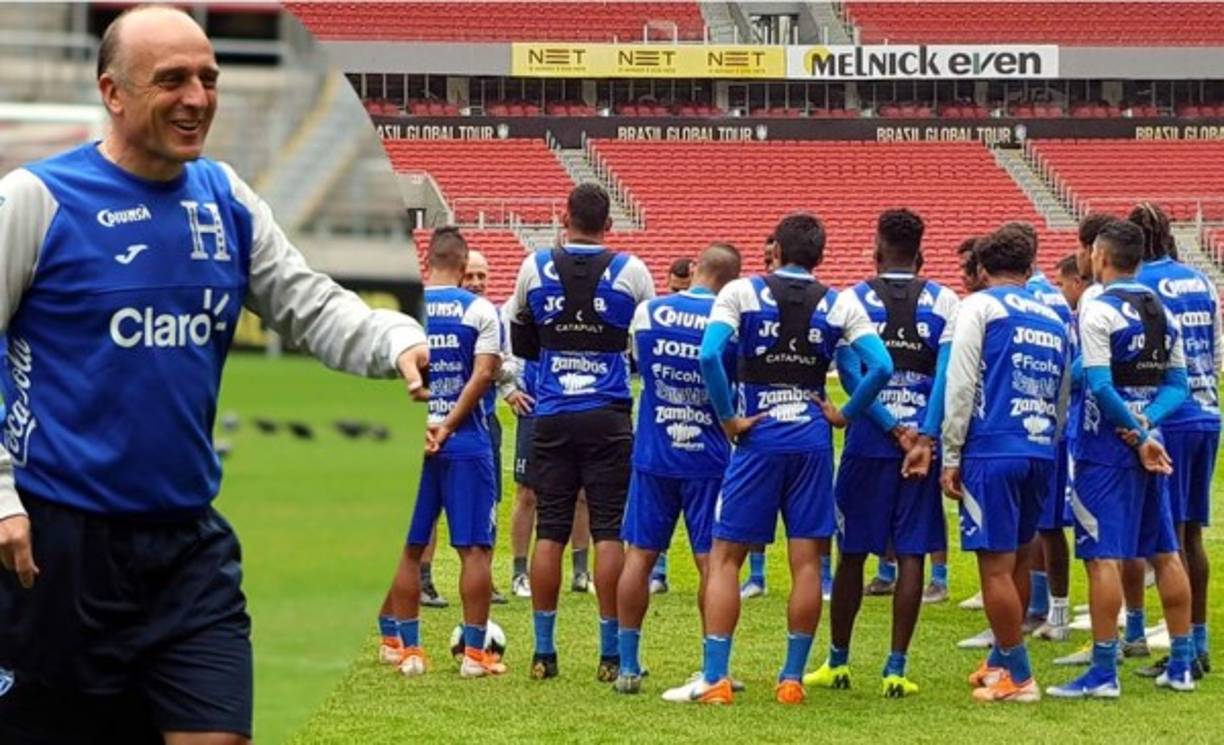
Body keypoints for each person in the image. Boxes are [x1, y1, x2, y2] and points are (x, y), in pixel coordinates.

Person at [0, 8, 429, 744]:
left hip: (185, 548)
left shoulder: (223, 198)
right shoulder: (35, 200)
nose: (196, 97)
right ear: (114, 92)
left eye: (208, 78)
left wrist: (393, 336)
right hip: (56, 545)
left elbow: (307, 302)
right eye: (171, 80)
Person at [661, 212, 893, 705]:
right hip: (810, 437)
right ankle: (790, 679)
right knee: (807, 562)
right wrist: (846, 413)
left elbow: (708, 357)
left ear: (777, 252)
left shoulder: (741, 292)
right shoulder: (839, 302)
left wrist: (726, 418)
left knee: (725, 558)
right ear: (819, 257)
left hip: (759, 434)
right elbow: (882, 366)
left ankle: (716, 678)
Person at [505, 183, 655, 681]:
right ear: (609, 224)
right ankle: (611, 654)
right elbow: (646, 338)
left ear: (564, 217)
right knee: (609, 529)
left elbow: (518, 330)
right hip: (608, 412)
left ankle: (544, 654)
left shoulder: (535, 265)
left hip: (551, 411)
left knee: (550, 527)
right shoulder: (631, 270)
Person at [807, 209, 956, 698]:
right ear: (921, 253)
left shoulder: (853, 298)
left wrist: (890, 428)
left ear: (876, 250)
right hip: (920, 450)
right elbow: (947, 378)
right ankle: (895, 668)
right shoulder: (945, 301)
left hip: (869, 445)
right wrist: (923, 436)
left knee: (851, 554)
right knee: (912, 552)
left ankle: (838, 662)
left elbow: (850, 372)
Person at [1047, 218, 1196, 697]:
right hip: (1153, 443)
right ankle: (1182, 663)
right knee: (1165, 551)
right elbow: (1179, 386)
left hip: (1104, 448)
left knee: (1102, 556)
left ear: (1101, 258)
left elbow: (1100, 383)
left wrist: (1132, 432)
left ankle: (1104, 671)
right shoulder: (1161, 311)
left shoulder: (1097, 310)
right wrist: (1149, 423)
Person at [942, 225, 1069, 703]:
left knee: (993, 564)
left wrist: (951, 452)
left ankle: (1018, 675)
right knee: (1018, 553)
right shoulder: (1054, 315)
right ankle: (1000, 658)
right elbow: (1062, 389)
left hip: (993, 447)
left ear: (982, 268)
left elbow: (961, 382)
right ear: (1029, 267)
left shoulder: (979, 306)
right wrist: (1049, 440)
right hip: (1040, 446)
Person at [614, 243, 742, 694]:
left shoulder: (650, 313)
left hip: (654, 450)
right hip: (708, 456)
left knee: (641, 555)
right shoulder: (730, 324)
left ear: (694, 269)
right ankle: (713, 667)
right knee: (714, 562)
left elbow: (639, 367)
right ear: (731, 282)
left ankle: (628, 665)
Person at [383, 228, 505, 680]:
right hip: (465, 440)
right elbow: (484, 373)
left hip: (413, 441)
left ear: (428, 262)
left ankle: (408, 651)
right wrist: (449, 424)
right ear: (460, 264)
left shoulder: (403, 312)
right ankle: (475, 656)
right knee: (475, 548)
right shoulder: (480, 310)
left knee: (409, 546)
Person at [1130, 203, 1217, 680]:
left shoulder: (1142, 285)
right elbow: (1217, 348)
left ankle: (1182, 649)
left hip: (1173, 415)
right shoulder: (1199, 279)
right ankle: (1198, 641)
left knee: (1168, 537)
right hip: (1208, 409)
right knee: (1193, 533)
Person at [1016, 225, 1076, 644]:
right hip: (1055, 422)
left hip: (1042, 424)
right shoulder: (1055, 299)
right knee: (1042, 523)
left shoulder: (1030, 300)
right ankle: (1042, 609)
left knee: (1042, 523)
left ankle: (1046, 610)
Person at [649, 255, 697, 595]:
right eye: (672, 289)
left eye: (684, 290)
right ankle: (658, 573)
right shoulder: (656, 314)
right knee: (656, 516)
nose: (676, 296)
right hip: (664, 432)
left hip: (701, 435)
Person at [739, 233, 780, 601]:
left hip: (790, 418)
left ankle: (826, 582)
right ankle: (756, 576)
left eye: (773, 258)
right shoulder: (752, 301)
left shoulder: (812, 303)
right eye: (765, 260)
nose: (769, 266)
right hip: (754, 414)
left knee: (812, 519)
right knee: (753, 506)